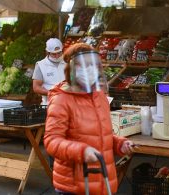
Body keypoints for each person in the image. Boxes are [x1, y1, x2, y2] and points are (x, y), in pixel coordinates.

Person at [44, 43, 135, 195]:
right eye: (83, 66)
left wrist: (119, 143)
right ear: (71, 70)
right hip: (74, 186)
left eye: (92, 65)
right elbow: (51, 141)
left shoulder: (100, 97)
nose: (90, 70)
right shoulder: (61, 100)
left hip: (103, 183)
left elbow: (101, 135)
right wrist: (81, 151)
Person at [32, 38, 66, 105]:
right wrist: (51, 93)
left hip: (67, 104)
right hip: (49, 105)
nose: (57, 56)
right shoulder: (40, 65)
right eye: (54, 54)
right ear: (48, 52)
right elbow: (36, 87)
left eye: (59, 53)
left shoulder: (68, 63)